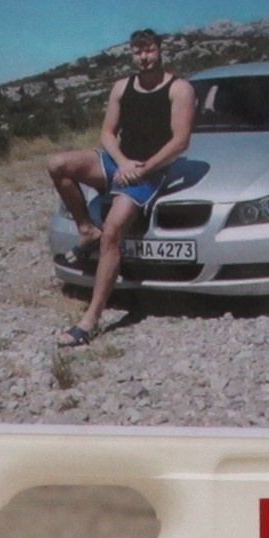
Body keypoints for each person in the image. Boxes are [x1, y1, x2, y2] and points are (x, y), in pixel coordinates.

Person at [47, 31, 200, 346]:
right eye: (137, 52)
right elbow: (106, 132)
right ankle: (87, 229)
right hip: (122, 162)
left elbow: (180, 142)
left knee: (115, 229)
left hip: (151, 170)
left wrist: (142, 168)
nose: (144, 58)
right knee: (58, 164)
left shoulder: (179, 88)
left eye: (150, 51)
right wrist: (122, 162)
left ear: (160, 52)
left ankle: (90, 319)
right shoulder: (121, 87)